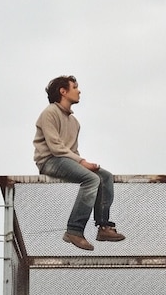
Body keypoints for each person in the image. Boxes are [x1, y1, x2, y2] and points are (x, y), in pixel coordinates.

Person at [33, 75, 125, 251]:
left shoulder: (74, 122)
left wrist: (81, 162)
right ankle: (74, 230)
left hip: (66, 159)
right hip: (49, 160)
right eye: (75, 87)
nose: (79, 90)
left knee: (105, 176)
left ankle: (103, 226)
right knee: (91, 179)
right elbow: (56, 148)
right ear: (63, 91)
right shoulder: (49, 112)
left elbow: (72, 152)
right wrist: (83, 163)